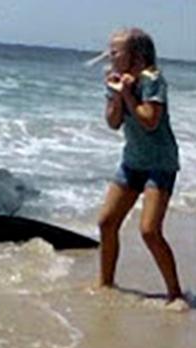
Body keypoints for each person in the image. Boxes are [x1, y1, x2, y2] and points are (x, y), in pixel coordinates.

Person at [97, 27, 185, 306]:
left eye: (116, 51)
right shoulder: (119, 81)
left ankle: (175, 294)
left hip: (160, 163)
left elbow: (149, 120)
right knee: (107, 222)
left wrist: (128, 95)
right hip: (132, 161)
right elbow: (113, 123)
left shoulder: (153, 80)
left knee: (149, 230)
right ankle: (106, 284)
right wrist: (114, 94)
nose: (110, 55)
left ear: (136, 55)